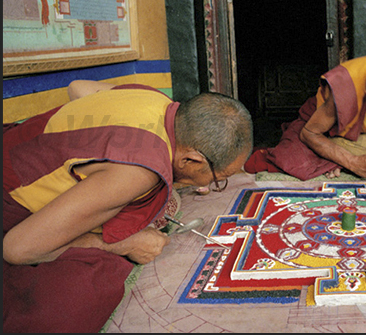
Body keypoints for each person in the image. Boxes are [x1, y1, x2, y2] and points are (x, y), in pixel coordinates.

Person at [3, 80, 253, 332]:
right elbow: (17, 248)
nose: (213, 184)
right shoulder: (139, 174)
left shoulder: (152, 98)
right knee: (90, 286)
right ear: (190, 159)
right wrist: (127, 243)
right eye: (217, 178)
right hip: (10, 198)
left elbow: (77, 88)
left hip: (15, 140)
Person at [244, 54, 366, 180]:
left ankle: (339, 158)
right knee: (293, 158)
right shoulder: (343, 94)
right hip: (334, 124)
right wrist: (351, 162)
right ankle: (343, 158)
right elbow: (309, 134)